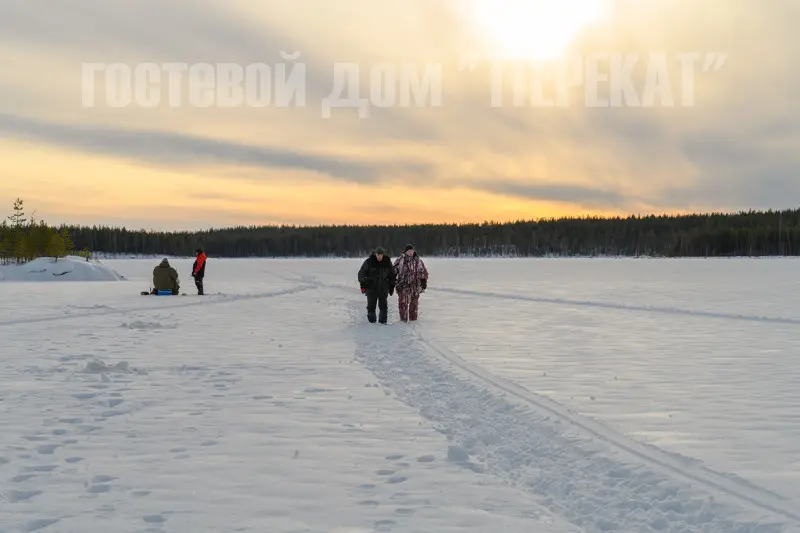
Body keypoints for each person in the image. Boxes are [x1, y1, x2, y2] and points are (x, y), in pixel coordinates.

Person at [357, 246, 396, 324]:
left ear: (383, 255)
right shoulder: (369, 262)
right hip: (371, 289)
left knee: (383, 307)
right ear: (375, 254)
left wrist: (391, 286)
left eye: (381, 255)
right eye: (378, 255)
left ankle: (383, 322)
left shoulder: (387, 262)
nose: (379, 256)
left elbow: (392, 275)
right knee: (371, 307)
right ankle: (372, 322)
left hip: (383, 288)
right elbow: (361, 274)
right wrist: (364, 283)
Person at [393, 244, 428, 321]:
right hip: (403, 286)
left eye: (412, 251)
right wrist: (393, 280)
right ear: (405, 252)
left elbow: (423, 271)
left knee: (414, 305)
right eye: (409, 251)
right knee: (403, 304)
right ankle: (403, 321)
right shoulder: (400, 260)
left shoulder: (418, 260)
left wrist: (424, 281)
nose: (411, 252)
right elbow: (393, 271)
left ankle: (413, 321)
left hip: (415, 286)